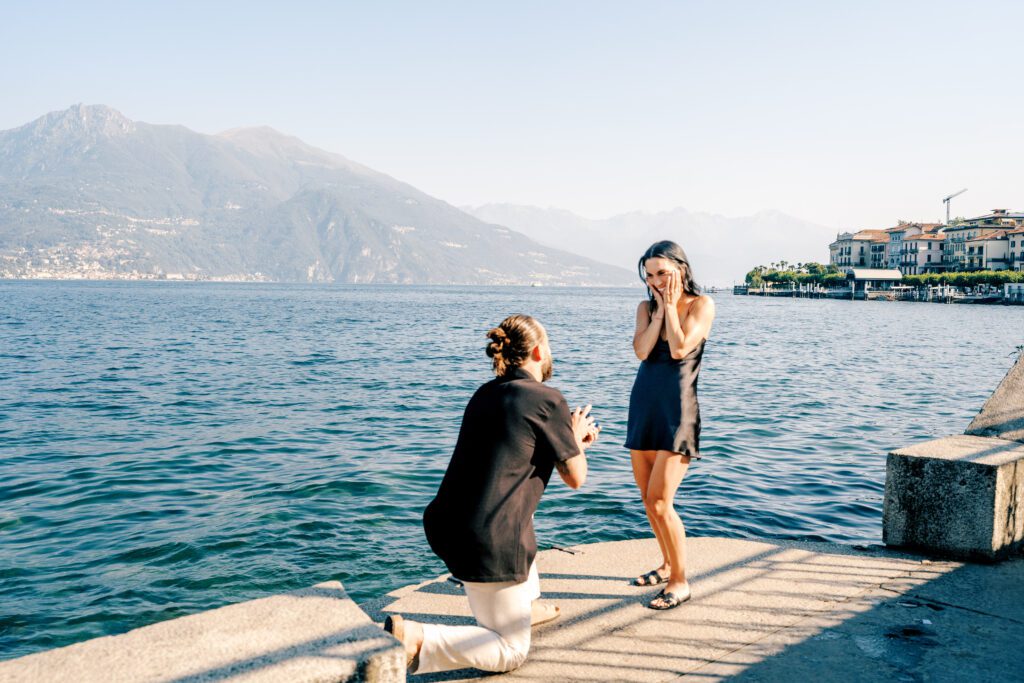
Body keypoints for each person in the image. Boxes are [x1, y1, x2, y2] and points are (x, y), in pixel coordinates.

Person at [384, 314, 600, 674]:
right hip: (489, 539)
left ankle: (525, 605)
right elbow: (576, 478)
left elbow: (513, 460)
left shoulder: (486, 393)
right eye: (548, 347)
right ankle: (416, 638)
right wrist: (575, 440)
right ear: (536, 351)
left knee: (521, 509)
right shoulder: (547, 399)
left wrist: (567, 442)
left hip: (448, 523)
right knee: (510, 651)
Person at [625, 240, 715, 610]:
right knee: (649, 501)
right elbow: (643, 351)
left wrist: (672, 311)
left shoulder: (702, 305)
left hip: (678, 411)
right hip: (644, 404)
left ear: (681, 268)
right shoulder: (646, 307)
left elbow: (679, 349)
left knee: (662, 502)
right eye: (649, 275)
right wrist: (660, 311)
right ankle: (665, 565)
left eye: (663, 273)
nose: (656, 281)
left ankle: (680, 580)